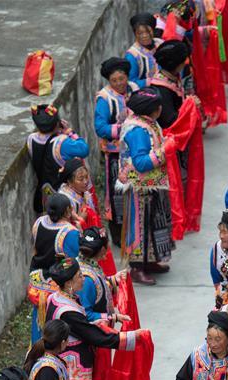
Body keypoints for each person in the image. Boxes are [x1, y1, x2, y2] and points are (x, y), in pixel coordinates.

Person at [118, 87, 174, 286]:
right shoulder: (138, 130)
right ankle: (136, 267)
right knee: (139, 227)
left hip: (150, 185)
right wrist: (164, 151)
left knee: (152, 223)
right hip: (138, 187)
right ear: (155, 110)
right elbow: (141, 163)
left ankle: (149, 261)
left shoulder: (146, 123)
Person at [94, 57, 142, 246]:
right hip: (115, 154)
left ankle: (137, 229)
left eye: (121, 78)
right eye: (114, 80)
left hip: (137, 151)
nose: (119, 83)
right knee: (117, 194)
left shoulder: (134, 89)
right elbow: (100, 127)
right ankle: (119, 237)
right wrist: (124, 128)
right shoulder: (105, 99)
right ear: (109, 81)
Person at [28, 193, 80, 343]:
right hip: (56, 285)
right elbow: (72, 262)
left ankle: (36, 352)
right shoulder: (70, 232)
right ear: (68, 211)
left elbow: (36, 249)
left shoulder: (38, 223)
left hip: (37, 281)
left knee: (38, 322)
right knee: (57, 326)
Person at [26, 104, 89, 213]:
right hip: (64, 196)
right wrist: (70, 132)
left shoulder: (31, 139)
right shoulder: (62, 143)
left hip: (44, 194)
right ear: (57, 123)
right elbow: (84, 149)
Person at [77, 226, 128, 324]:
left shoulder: (85, 263)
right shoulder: (86, 279)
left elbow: (98, 285)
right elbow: (85, 314)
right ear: (102, 249)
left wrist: (113, 279)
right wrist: (113, 317)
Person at [150, 40, 190, 128]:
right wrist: (191, 106)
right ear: (177, 65)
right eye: (183, 61)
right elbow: (170, 122)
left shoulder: (172, 77)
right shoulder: (162, 89)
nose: (185, 62)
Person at [57, 157, 97, 222]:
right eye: (81, 179)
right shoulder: (65, 200)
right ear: (69, 182)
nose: (85, 182)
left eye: (86, 177)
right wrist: (81, 219)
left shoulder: (84, 193)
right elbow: (65, 227)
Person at [126, 12, 159, 83]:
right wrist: (153, 82)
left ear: (153, 30)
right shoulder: (132, 55)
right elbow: (131, 82)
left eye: (148, 32)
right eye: (140, 33)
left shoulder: (160, 44)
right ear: (135, 34)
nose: (144, 36)